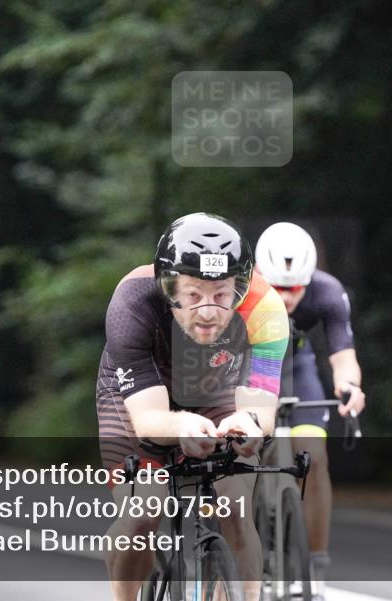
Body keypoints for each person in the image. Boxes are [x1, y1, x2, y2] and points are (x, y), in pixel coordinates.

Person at [97, 212, 289, 601]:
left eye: (221, 295)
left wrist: (248, 424)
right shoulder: (133, 303)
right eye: (193, 294)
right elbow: (149, 420)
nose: (207, 311)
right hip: (137, 394)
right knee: (144, 512)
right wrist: (181, 427)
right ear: (169, 287)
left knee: (236, 510)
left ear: (240, 287)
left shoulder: (266, 307)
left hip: (215, 388)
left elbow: (261, 409)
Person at [255, 221, 366, 599]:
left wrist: (349, 387)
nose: (287, 298)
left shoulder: (328, 291)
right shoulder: (240, 291)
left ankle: (315, 564)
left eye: (296, 289)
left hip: (297, 369)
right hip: (248, 368)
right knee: (242, 453)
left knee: (314, 458)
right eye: (279, 288)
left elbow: (343, 354)